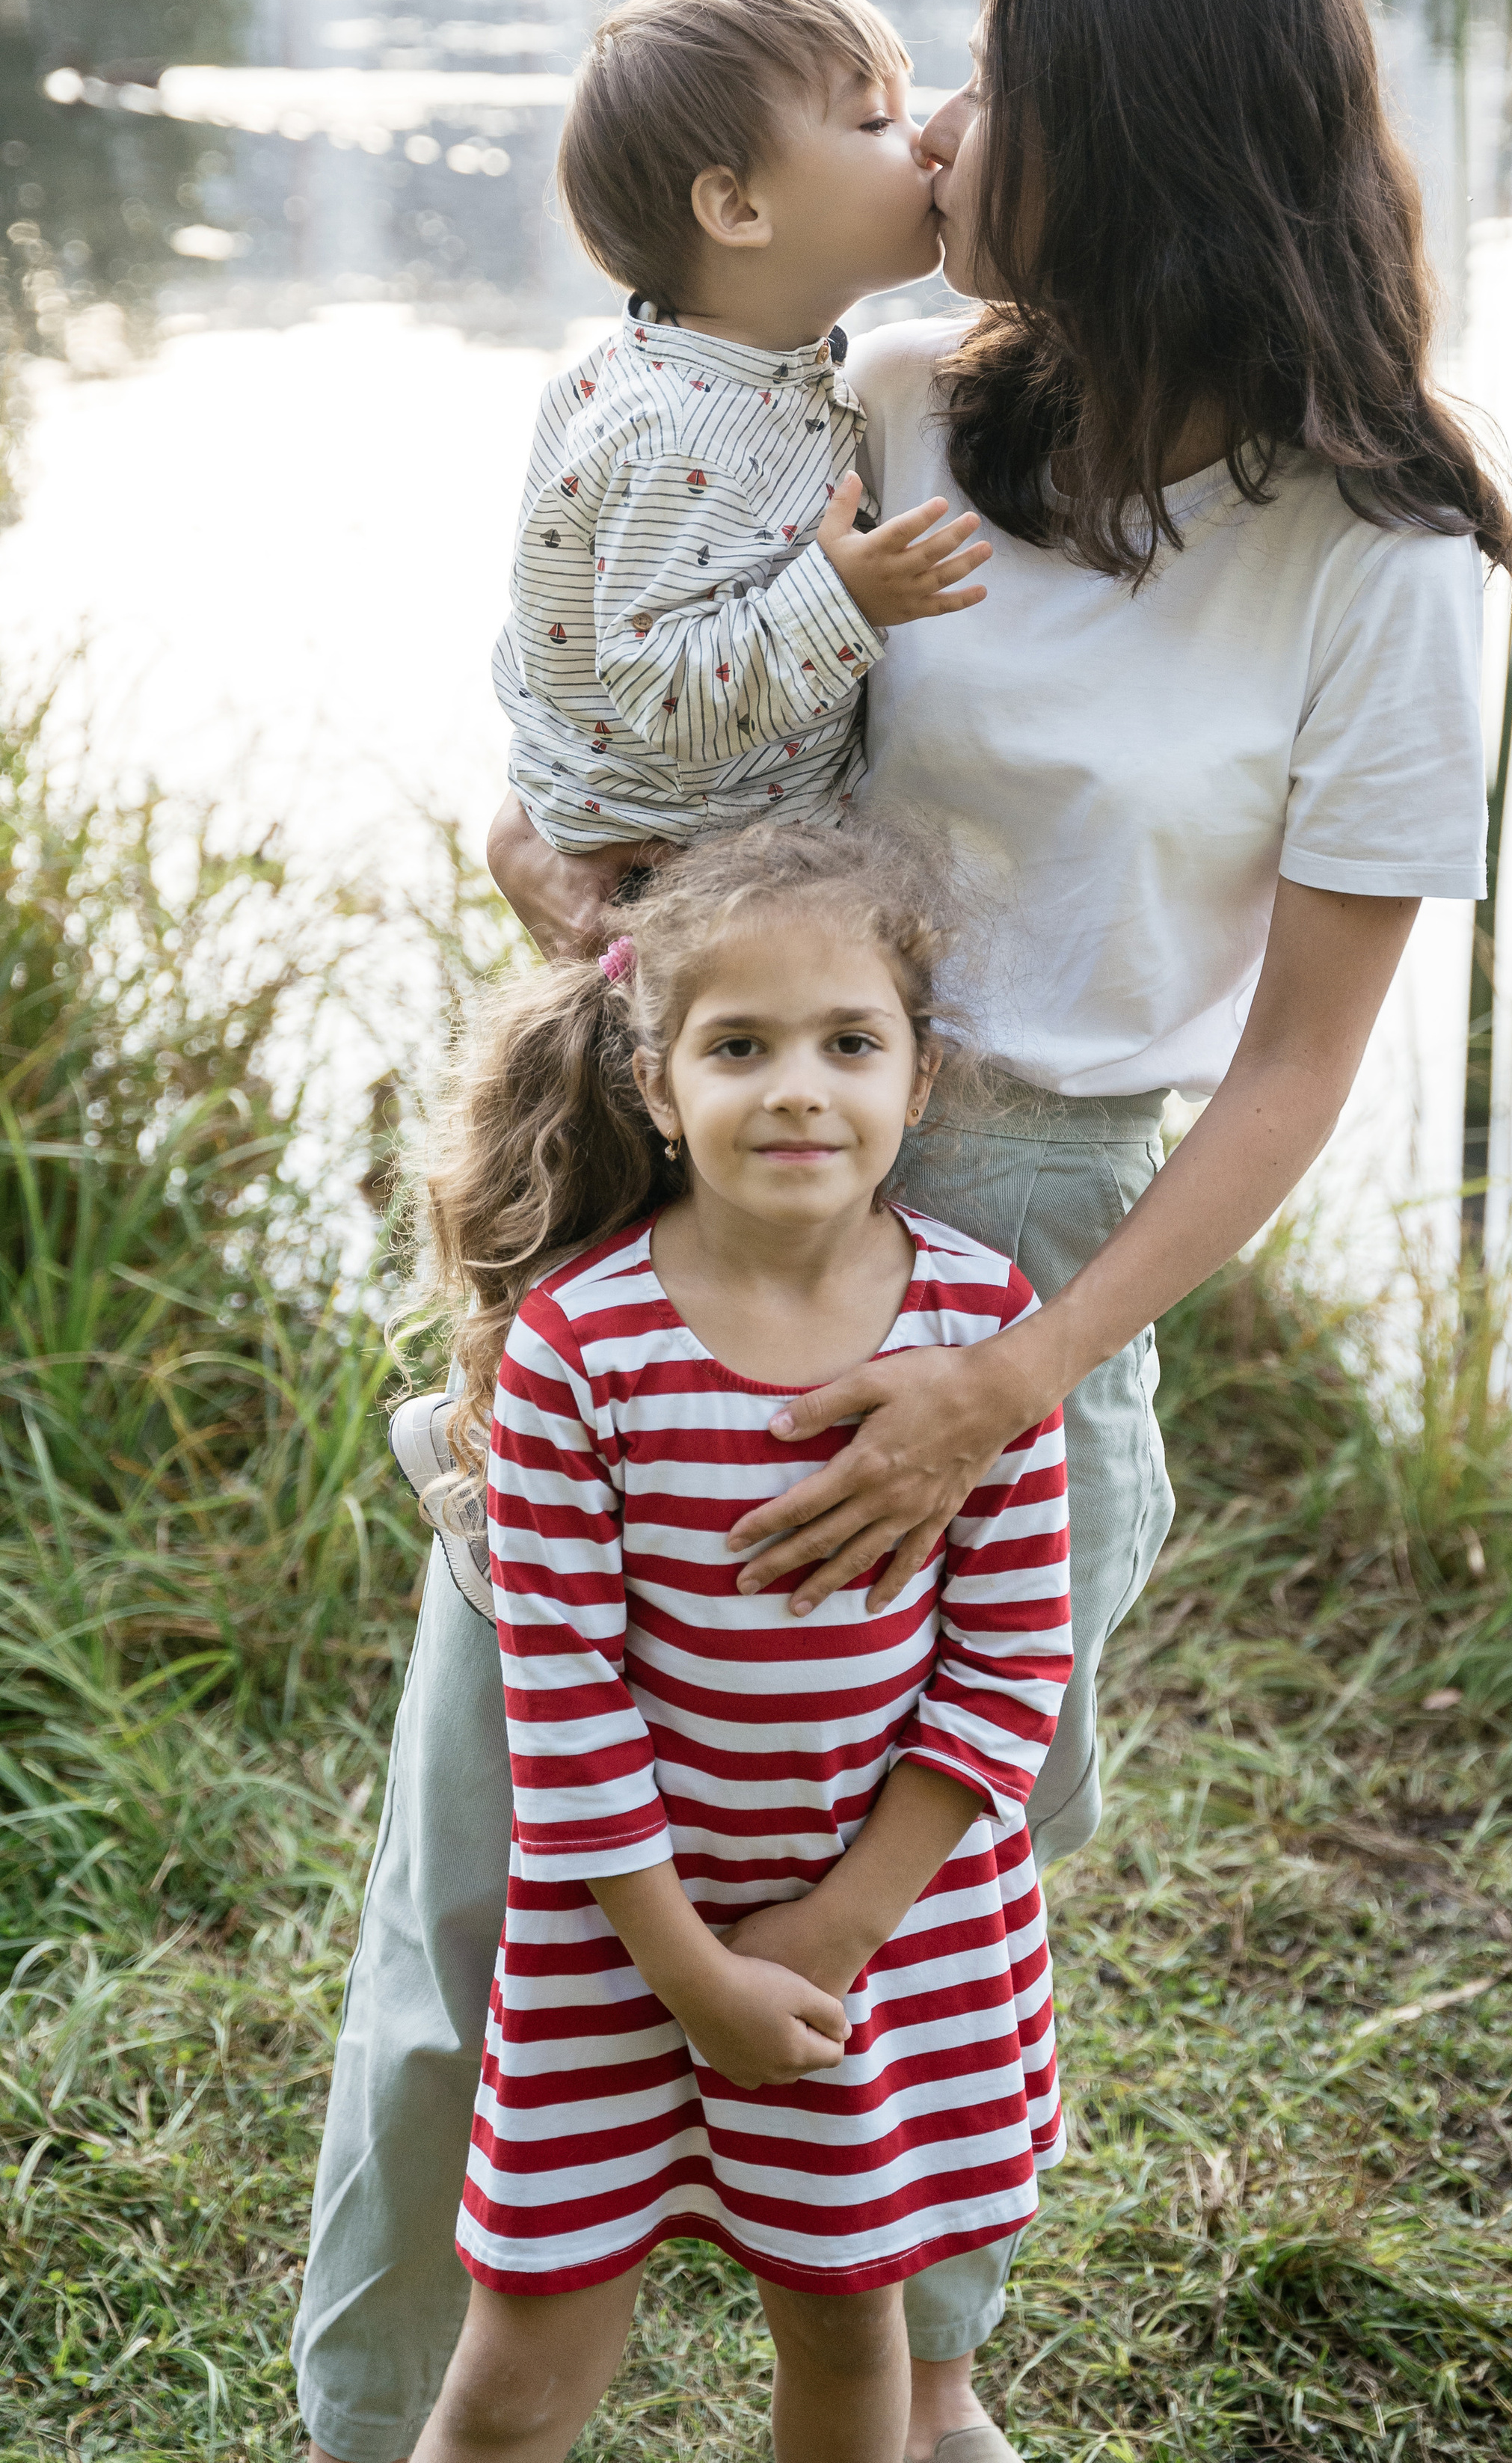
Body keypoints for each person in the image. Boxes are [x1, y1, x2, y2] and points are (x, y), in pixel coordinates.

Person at [296, 0, 1512, 2463]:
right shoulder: (888, 395)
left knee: (911, 1910)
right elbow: (622, 690)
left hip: (1037, 1243)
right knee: (492, 1866)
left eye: (990, 79)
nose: (942, 131)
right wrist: (557, 869)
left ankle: (914, 2396)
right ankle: (392, 2419)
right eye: (921, 87)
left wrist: (1018, 1379)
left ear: (1144, 140)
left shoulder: (1391, 566)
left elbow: (1298, 1068)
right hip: (700, 1189)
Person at [402, 816, 1069, 2463]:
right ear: (656, 1083)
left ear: (920, 1079)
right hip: (618, 1933)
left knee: (845, 2330)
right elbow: (566, 1704)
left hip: (875, 1932)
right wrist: (690, 1970)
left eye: (850, 1043)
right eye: (741, 1046)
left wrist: (836, 1929)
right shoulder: (582, 1349)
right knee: (514, 2369)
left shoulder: (980, 1333)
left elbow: (1006, 1670)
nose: (798, 1091)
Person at [488, 0, 989, 943]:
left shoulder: (703, 378)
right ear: (739, 210)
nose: (928, 141)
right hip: (697, 896)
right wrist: (844, 600)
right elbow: (662, 688)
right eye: (875, 122)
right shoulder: (684, 435)